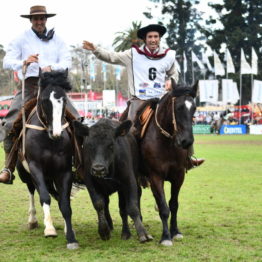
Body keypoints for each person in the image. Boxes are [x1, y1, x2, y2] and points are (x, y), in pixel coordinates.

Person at [82, 24, 204, 169]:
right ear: (145, 39)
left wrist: (170, 83)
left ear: (159, 39)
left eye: (156, 37)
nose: (153, 40)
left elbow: (173, 74)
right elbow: (112, 57)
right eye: (150, 37)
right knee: (130, 131)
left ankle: (188, 159)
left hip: (161, 100)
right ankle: (133, 164)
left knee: (182, 122)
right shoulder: (132, 55)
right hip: (139, 101)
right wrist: (95, 49)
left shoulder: (169, 55)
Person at [0, 5, 80, 184]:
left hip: (54, 85)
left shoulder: (58, 39)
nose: (39, 22)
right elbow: (6, 62)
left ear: (46, 20)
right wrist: (25, 61)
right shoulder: (21, 39)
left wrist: (52, 67)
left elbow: (67, 61)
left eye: (42, 18)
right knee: (10, 123)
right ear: (30, 20)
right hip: (31, 86)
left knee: (77, 119)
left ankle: (79, 165)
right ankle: (8, 168)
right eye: (36, 19)